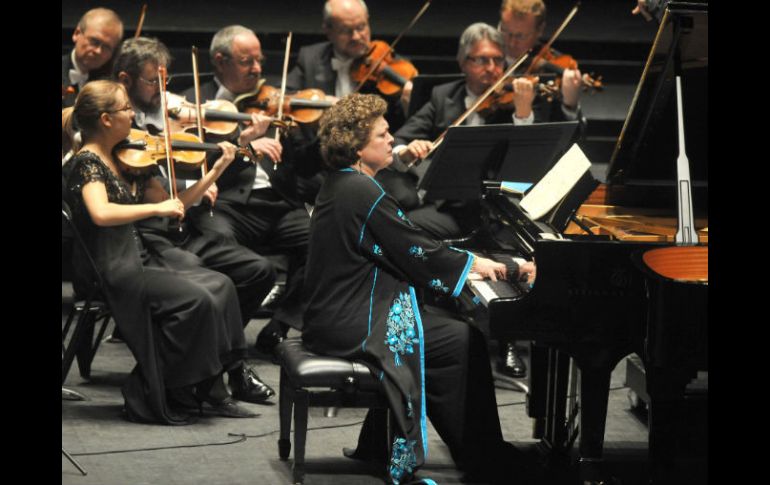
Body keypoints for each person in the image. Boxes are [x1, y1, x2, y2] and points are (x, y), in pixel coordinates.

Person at [305, 93, 537, 484]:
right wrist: (493, 266)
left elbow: (408, 245)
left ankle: (384, 445)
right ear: (359, 147)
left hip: (334, 312)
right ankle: (483, 457)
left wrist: (471, 265)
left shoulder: (345, 184)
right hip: (349, 319)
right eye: (383, 134)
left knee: (451, 332)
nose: (391, 138)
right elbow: (415, 249)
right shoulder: (362, 191)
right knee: (460, 339)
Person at [62, 80, 258, 424]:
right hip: (112, 269)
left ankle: (208, 391)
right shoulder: (88, 162)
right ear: (106, 120)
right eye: (125, 108)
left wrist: (214, 171)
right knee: (196, 299)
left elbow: (176, 204)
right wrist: (155, 211)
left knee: (222, 286)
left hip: (136, 256)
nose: (132, 114)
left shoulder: (119, 156)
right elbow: (101, 213)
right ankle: (157, 389)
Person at [111, 36, 277, 403]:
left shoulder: (174, 109)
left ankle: (214, 357)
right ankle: (231, 368)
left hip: (184, 223)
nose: (162, 90)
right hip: (151, 235)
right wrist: (193, 183)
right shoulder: (117, 124)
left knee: (258, 270)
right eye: (152, 82)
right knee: (210, 276)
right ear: (125, 80)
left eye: (165, 81)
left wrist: (216, 166)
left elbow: (183, 164)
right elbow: (147, 182)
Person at [183, 25, 320, 354]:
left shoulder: (273, 101)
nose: (258, 69)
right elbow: (192, 167)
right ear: (220, 61)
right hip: (227, 205)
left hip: (278, 204)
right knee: (219, 245)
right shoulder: (192, 102)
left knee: (324, 238)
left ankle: (281, 324)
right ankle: (223, 339)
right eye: (247, 61)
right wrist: (242, 144)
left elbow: (305, 164)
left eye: (259, 60)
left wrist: (318, 134)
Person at [498, 0, 583, 126]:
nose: (511, 42)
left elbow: (574, 133)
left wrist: (570, 105)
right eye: (505, 31)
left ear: (540, 30)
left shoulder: (556, 68)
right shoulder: (487, 57)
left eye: (520, 36)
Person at [62, 8, 124, 108]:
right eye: (94, 41)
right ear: (76, 33)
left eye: (107, 47)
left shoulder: (108, 85)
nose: (98, 51)